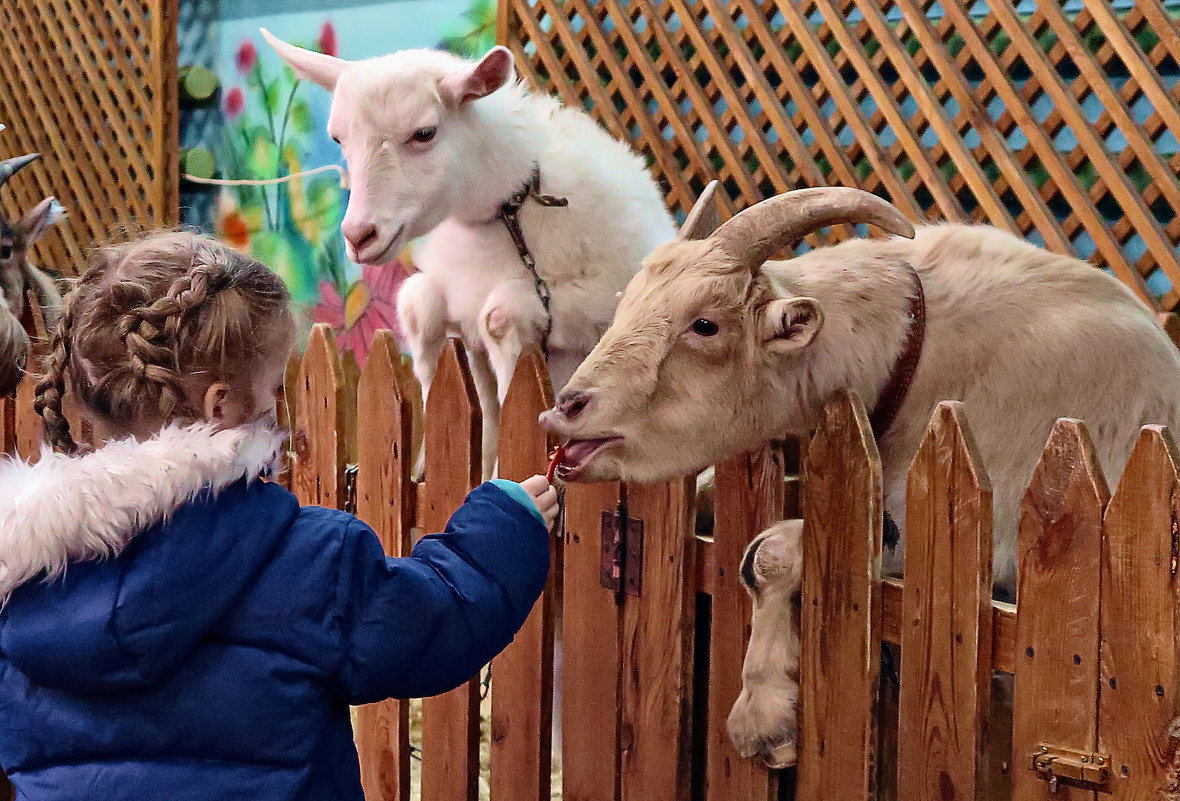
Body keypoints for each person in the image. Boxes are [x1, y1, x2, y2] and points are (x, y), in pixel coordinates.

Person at [0, 231, 558, 801]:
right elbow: (434, 621)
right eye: (271, 387)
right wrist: (504, 524)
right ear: (222, 408)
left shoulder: (21, 575)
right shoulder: (310, 561)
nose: (279, 406)